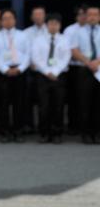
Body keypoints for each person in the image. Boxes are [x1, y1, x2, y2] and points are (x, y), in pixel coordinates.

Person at [0, 9, 31, 143]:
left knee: (19, 103)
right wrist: (5, 69)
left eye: (10, 18)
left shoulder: (23, 35)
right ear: (1, 21)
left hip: (20, 71)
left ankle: (18, 131)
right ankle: (5, 131)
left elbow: (28, 55)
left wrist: (20, 69)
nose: (8, 21)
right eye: (5, 19)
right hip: (3, 73)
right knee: (3, 103)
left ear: (15, 20)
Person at [31, 13, 70, 144]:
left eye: (56, 23)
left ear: (60, 25)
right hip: (43, 76)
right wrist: (47, 71)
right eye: (51, 23)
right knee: (44, 105)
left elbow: (66, 57)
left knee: (58, 105)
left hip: (59, 76)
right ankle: (44, 133)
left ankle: (57, 132)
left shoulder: (65, 39)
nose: (53, 26)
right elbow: (36, 57)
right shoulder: (39, 39)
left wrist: (56, 71)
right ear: (46, 25)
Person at [70, 5, 100, 144]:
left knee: (97, 103)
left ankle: (96, 133)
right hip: (84, 70)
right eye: (90, 14)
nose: (93, 17)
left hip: (99, 69)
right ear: (85, 17)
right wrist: (89, 63)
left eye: (96, 14)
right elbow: (74, 51)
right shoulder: (78, 32)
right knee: (84, 102)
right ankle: (86, 133)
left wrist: (97, 62)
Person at [23, 6, 48, 134]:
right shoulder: (26, 33)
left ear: (45, 16)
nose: (38, 17)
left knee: (44, 100)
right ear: (32, 17)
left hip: (46, 71)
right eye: (35, 15)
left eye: (40, 14)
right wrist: (29, 63)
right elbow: (23, 51)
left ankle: (44, 126)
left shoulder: (50, 31)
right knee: (28, 99)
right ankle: (29, 125)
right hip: (30, 70)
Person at [63, 5, 87, 135]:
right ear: (76, 16)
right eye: (80, 14)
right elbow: (66, 49)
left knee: (88, 98)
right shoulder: (70, 30)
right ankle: (73, 126)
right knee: (74, 97)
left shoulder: (93, 29)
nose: (82, 17)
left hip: (92, 67)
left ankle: (86, 126)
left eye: (85, 14)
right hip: (74, 67)